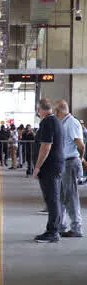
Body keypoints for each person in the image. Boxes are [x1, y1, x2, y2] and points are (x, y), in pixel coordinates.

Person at [33, 98, 65, 243]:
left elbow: (46, 146)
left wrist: (37, 166)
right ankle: (54, 229)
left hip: (49, 167)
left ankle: (52, 232)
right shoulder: (57, 121)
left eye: (38, 111)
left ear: (40, 110)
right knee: (54, 199)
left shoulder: (47, 122)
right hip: (55, 165)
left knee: (52, 199)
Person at [53, 100, 85, 237]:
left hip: (70, 163)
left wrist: (80, 158)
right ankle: (60, 226)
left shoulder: (71, 123)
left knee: (70, 197)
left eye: (55, 110)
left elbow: (80, 145)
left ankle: (76, 228)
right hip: (64, 163)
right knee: (61, 196)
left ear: (58, 111)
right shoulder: (64, 123)